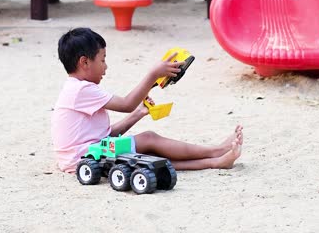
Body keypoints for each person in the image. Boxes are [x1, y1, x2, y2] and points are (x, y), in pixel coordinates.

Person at [51, 27, 243, 173]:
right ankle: (215, 151)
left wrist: (139, 113)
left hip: (89, 152)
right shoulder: (81, 90)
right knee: (148, 138)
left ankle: (215, 161)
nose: (106, 67)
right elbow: (126, 104)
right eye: (102, 60)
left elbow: (107, 135)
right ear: (84, 62)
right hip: (83, 158)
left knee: (147, 156)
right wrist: (153, 74)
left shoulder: (79, 90)